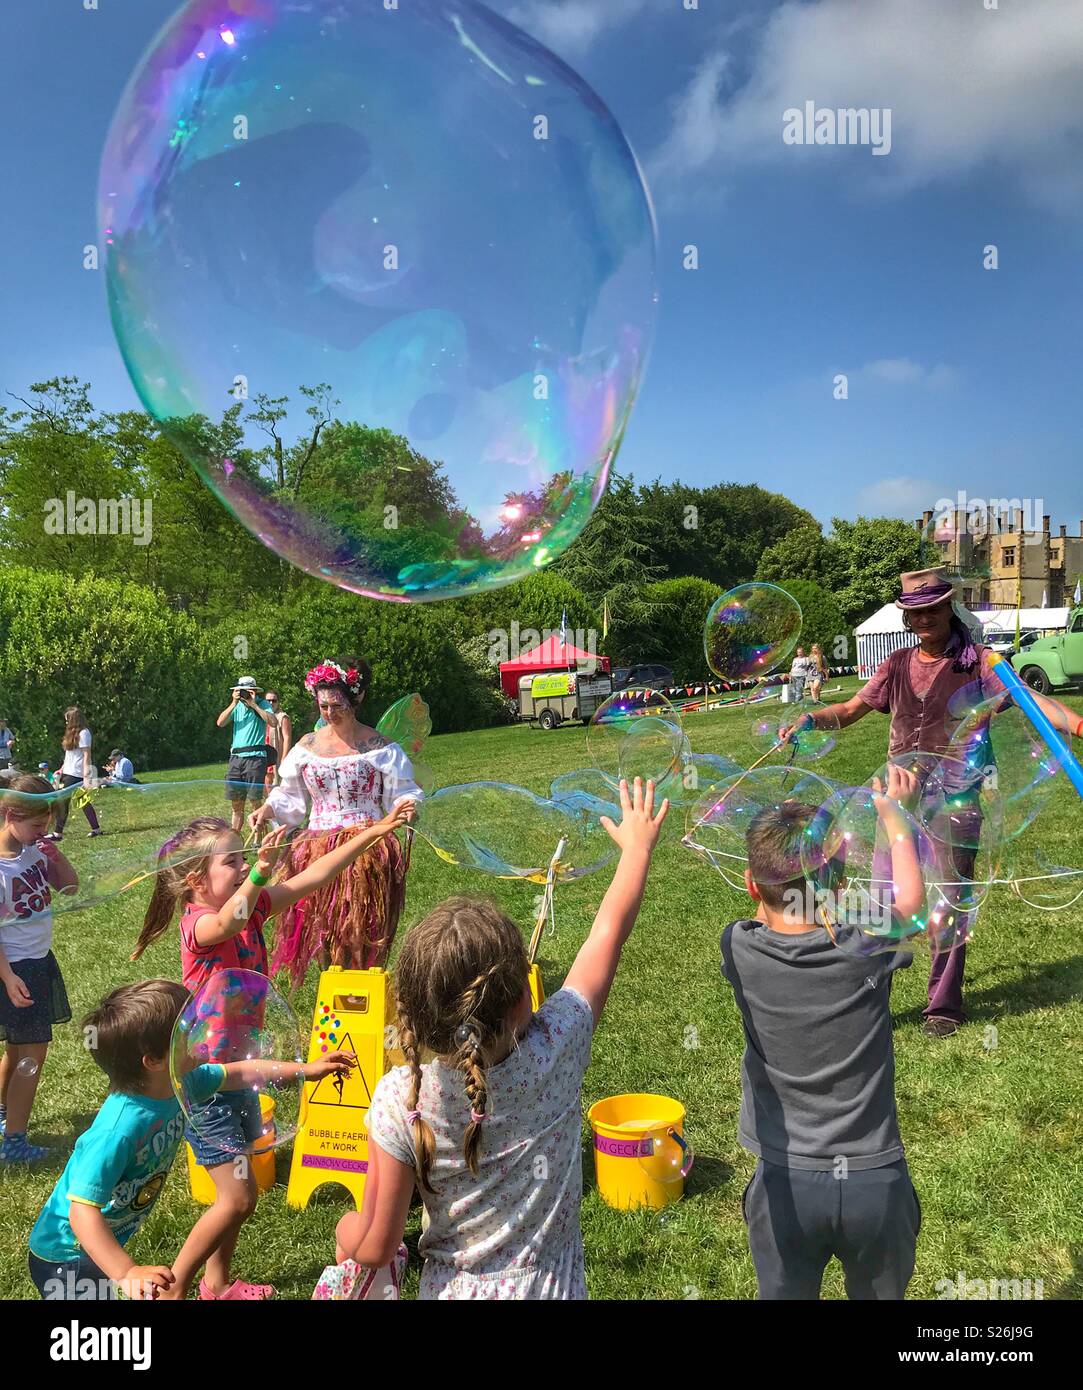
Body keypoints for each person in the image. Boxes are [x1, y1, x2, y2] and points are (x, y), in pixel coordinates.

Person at [333, 777, 668, 1300]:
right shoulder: (558, 1043)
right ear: (524, 999)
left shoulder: (401, 1100)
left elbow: (374, 1245)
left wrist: (344, 1229)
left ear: (416, 1016)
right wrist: (637, 850)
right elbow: (607, 932)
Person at [783, 566, 1083, 1036]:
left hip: (957, 797)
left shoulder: (980, 662)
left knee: (949, 900)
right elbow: (849, 710)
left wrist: (1078, 724)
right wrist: (810, 718)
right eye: (915, 611)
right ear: (906, 616)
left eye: (933, 609)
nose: (925, 618)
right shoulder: (897, 663)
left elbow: (1028, 701)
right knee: (883, 899)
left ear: (949, 607)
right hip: (895, 795)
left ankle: (942, 1005)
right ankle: (870, 996)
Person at [129, 802, 413, 1299]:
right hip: (206, 1081)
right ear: (197, 881)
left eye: (244, 862)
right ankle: (175, 1288)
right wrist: (260, 870)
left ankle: (216, 1286)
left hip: (240, 1073)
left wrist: (378, 830)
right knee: (236, 1199)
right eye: (232, 863)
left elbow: (318, 874)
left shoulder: (253, 904)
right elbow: (227, 925)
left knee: (243, 1194)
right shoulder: (198, 924)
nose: (243, 869)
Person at [722, 766, 925, 1300]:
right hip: (875, 1183)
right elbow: (910, 908)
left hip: (785, 1184)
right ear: (838, 884)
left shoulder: (738, 948)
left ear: (750, 885)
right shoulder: (869, 942)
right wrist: (896, 818)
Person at [27, 978, 355, 1300]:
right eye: (188, 1032)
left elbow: (241, 1072)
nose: (203, 1036)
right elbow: (81, 1212)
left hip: (100, 1246)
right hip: (65, 1257)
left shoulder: (182, 1081)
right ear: (153, 1060)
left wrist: (305, 1071)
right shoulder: (118, 1130)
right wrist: (126, 1272)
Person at [249, 660, 422, 987]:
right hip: (315, 848)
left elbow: (404, 790)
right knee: (322, 925)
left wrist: (407, 807)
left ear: (356, 699)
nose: (329, 712)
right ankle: (333, 991)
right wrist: (268, 810)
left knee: (360, 926)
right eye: (323, 705)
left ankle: (361, 991)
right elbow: (289, 795)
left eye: (337, 705)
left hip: (367, 844)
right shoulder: (306, 747)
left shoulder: (380, 748)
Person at [0, 774, 78, 1163]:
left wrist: (55, 856)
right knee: (34, 1053)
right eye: (35, 826)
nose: (40, 833)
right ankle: (14, 1140)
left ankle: (3, 1117)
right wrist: (9, 977)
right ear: (10, 814)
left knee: (17, 1050)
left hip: (38, 961)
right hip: (16, 969)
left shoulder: (32, 853)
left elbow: (70, 887)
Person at [216, 676, 275, 834]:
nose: (244, 695)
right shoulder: (236, 706)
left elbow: (273, 722)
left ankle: (260, 839)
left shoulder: (263, 704)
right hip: (236, 759)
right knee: (236, 804)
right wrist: (234, 702)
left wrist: (253, 704)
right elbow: (220, 723)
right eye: (241, 691)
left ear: (255, 691)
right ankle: (235, 843)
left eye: (247, 692)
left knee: (256, 801)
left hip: (255, 758)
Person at [49, 706, 101, 840]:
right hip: (68, 772)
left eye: (67, 720)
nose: (66, 723)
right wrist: (61, 769)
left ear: (73, 720)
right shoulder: (71, 734)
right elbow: (69, 756)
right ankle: (96, 829)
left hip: (77, 773)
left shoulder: (84, 733)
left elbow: (86, 755)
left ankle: (58, 833)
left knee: (64, 802)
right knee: (81, 801)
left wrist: (86, 776)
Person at [261, 689, 292, 797]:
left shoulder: (282, 717)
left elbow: (287, 737)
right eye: (268, 700)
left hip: (276, 753)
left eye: (274, 700)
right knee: (263, 781)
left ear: (278, 702)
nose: (271, 703)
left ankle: (275, 807)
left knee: (274, 781)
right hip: (263, 752)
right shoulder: (262, 715)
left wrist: (284, 757)